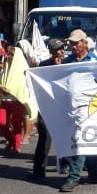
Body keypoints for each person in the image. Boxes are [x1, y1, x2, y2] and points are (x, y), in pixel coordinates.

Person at [61, 29, 97, 191]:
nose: (73, 46)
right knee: (86, 140)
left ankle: (74, 177)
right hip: (71, 106)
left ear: (85, 43)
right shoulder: (67, 62)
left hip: (89, 107)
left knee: (80, 139)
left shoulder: (96, 62)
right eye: (71, 43)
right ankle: (94, 172)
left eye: (76, 42)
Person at [30, 38, 66, 180]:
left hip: (64, 107)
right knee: (44, 139)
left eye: (63, 48)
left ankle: (66, 164)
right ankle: (38, 171)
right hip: (47, 107)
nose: (62, 51)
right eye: (58, 49)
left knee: (66, 137)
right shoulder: (44, 65)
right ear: (51, 51)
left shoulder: (68, 63)